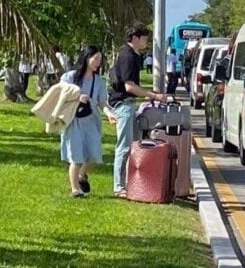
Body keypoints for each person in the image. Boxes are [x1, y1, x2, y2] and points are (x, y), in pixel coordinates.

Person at [109, 22, 168, 198]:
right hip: (123, 104)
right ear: (135, 37)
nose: (146, 42)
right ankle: (119, 186)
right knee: (124, 146)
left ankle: (131, 182)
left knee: (134, 144)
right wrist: (154, 96)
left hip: (129, 104)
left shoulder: (132, 55)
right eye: (144, 39)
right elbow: (129, 86)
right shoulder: (127, 56)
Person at [59, 46, 118, 197]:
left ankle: (81, 176)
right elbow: (60, 92)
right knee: (76, 155)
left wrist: (109, 114)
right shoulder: (70, 77)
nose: (98, 62)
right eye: (95, 58)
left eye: (100, 59)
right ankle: (75, 189)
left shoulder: (99, 81)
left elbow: (102, 102)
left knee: (93, 154)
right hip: (74, 119)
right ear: (86, 58)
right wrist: (76, 96)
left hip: (91, 119)